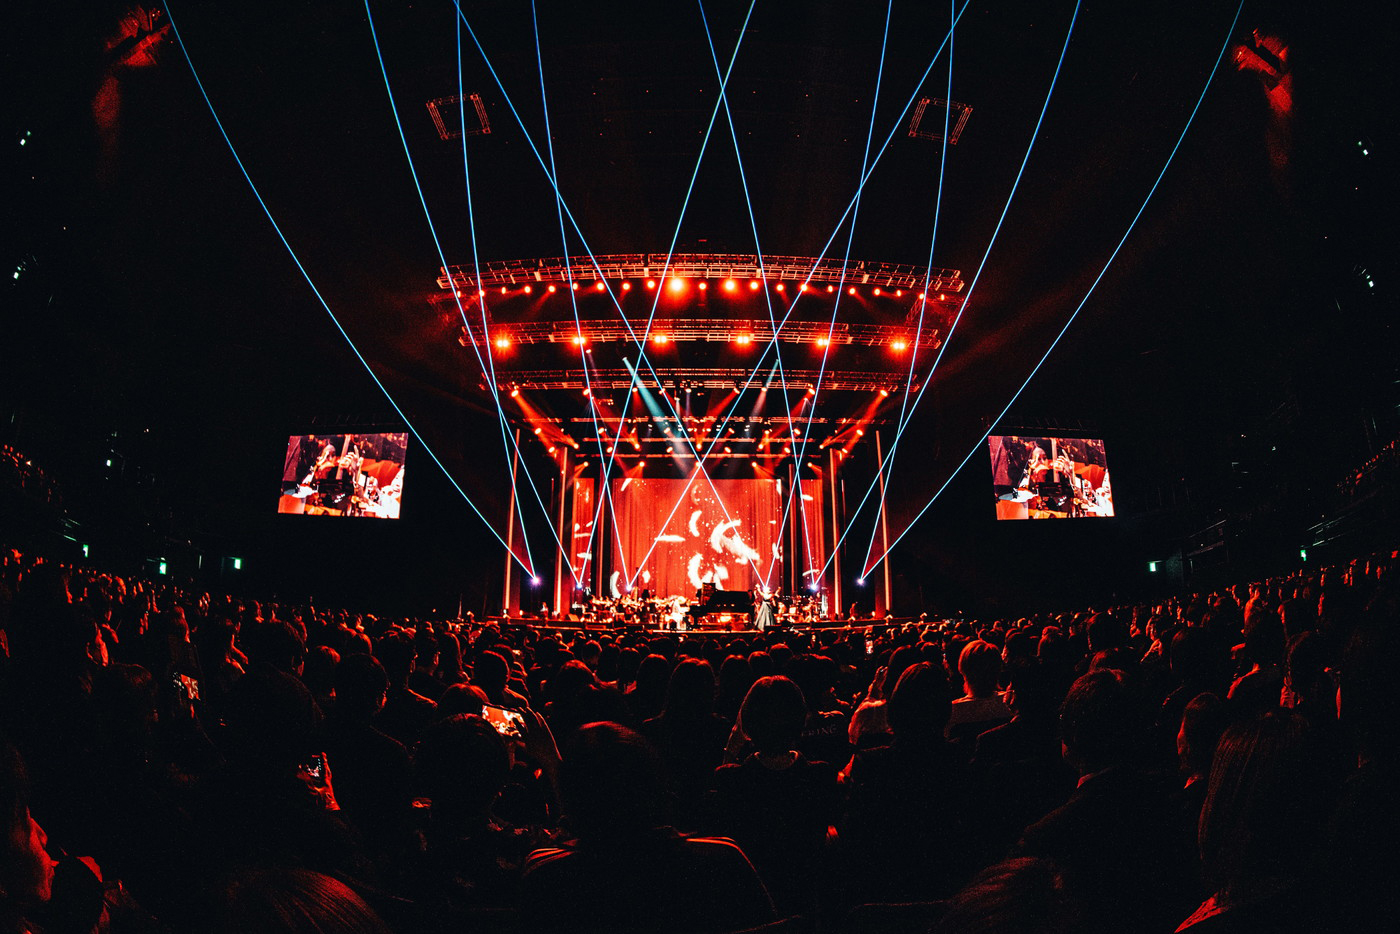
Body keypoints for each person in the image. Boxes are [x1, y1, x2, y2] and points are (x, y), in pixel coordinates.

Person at [521, 722, 775, 934]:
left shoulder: (547, 876)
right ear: (655, 785)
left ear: (574, 801)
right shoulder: (721, 860)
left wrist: (552, 766)